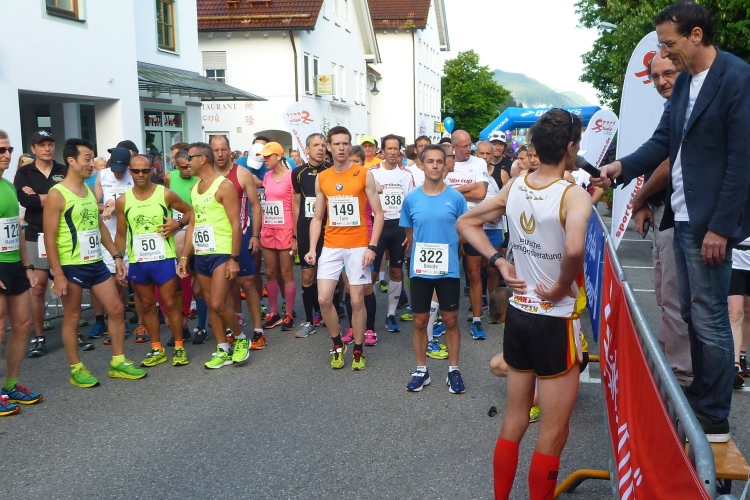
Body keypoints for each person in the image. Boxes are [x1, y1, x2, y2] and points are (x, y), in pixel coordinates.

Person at [593, 1, 750, 443]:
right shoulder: (684, 85)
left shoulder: (737, 77)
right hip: (679, 218)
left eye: (668, 43)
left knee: (711, 317)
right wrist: (619, 168)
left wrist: (720, 227)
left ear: (696, 35)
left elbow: (742, 161)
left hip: (709, 225)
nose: (663, 52)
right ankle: (700, 397)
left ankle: (714, 418)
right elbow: (662, 141)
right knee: (691, 314)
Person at [457, 108, 591, 498]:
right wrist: (562, 285)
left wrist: (498, 260)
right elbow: (574, 248)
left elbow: (466, 223)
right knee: (553, 432)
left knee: (514, 420)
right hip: (555, 319)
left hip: (519, 313)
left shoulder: (515, 185)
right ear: (570, 148)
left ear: (535, 147)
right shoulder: (573, 195)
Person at [44, 138, 147, 387]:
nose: (92, 164)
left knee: (117, 308)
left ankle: (118, 362)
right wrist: (58, 274)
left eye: (92, 158)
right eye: (87, 159)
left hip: (97, 261)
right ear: (71, 161)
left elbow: (100, 227)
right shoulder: (57, 194)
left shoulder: (89, 191)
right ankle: (76, 369)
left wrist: (117, 256)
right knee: (72, 316)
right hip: (72, 264)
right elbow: (49, 237)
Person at [629, 54, 692, 387]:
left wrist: (638, 198)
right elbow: (656, 157)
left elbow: (667, 162)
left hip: (682, 214)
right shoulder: (672, 107)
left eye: (669, 73)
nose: (661, 81)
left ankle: (680, 375)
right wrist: (646, 202)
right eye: (655, 77)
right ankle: (671, 364)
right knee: (666, 294)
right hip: (664, 210)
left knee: (675, 295)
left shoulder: (688, 105)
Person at [304, 126, 384, 370]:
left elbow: (379, 214)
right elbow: (318, 217)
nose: (341, 148)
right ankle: (337, 344)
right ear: (329, 147)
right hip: (331, 245)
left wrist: (372, 247)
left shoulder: (364, 174)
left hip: (358, 244)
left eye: (345, 143)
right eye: (336, 144)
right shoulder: (322, 178)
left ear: (350, 146)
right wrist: (312, 248)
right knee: (324, 298)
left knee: (357, 300)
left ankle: (358, 349)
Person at [400, 144, 468, 393]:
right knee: (420, 321)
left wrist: (449, 254)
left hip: (448, 269)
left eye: (440, 161)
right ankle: (421, 370)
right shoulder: (411, 199)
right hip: (420, 269)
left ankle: (453, 370)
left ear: (445, 165)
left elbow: (463, 233)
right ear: (421, 164)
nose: (435, 166)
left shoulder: (456, 198)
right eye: (430, 161)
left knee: (450, 320)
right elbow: (410, 233)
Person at [115, 155, 193, 368]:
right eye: (136, 171)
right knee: (148, 306)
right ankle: (156, 348)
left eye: (145, 170)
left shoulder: (165, 193)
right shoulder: (123, 201)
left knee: (170, 304)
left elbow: (189, 211)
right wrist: (118, 258)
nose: (141, 174)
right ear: (130, 171)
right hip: (138, 261)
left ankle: (179, 347)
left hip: (163, 258)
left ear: (152, 171)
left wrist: (178, 224)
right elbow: (121, 234)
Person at [177, 142, 246, 369]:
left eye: (190, 157)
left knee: (218, 301)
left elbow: (236, 224)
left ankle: (240, 338)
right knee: (210, 303)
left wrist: (234, 258)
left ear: (202, 159)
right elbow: (193, 225)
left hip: (222, 252)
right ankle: (222, 348)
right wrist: (184, 257)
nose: (187, 162)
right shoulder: (194, 188)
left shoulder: (224, 186)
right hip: (202, 253)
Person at [0, 130, 43, 415]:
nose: (6, 154)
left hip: (14, 262)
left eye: (9, 149)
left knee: (23, 324)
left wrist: (27, 266)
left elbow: (16, 230)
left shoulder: (7, 185)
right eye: (1, 150)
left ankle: (10, 384)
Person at [15, 131, 67, 357]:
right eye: (42, 144)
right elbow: (26, 200)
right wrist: (54, 196)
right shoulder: (24, 172)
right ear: (33, 148)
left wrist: (40, 196)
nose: (47, 148)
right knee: (38, 288)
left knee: (68, 285)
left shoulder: (64, 169)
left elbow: (70, 198)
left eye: (50, 144)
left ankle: (72, 331)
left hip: (63, 234)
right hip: (36, 234)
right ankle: (39, 336)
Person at [209, 135, 263, 349]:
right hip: (218, 238)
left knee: (247, 282)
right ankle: (234, 327)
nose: (220, 154)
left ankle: (258, 330)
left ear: (230, 150)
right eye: (216, 150)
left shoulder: (242, 173)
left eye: (223, 149)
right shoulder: (207, 176)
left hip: (242, 233)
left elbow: (255, 205)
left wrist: (255, 235)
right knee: (228, 283)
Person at [446, 130, 489, 340]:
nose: (468, 149)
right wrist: (466, 187)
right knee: (447, 274)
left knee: (474, 273)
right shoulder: (446, 162)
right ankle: (444, 318)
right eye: (463, 146)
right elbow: (439, 191)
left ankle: (477, 320)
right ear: (453, 147)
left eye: (469, 144)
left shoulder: (479, 163)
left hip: (473, 224)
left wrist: (453, 191)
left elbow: (481, 193)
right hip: (449, 224)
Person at [371, 135, 415, 335]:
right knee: (371, 274)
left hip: (398, 226)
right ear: (382, 150)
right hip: (378, 226)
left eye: (396, 148)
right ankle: (368, 313)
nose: (392, 152)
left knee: (396, 272)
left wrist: (409, 231)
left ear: (400, 151)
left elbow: (411, 204)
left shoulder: (406, 174)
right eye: (389, 148)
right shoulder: (372, 172)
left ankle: (390, 314)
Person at [166, 148, 209, 344]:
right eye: (183, 167)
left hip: (197, 234)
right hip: (176, 235)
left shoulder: (199, 179)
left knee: (198, 287)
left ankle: (201, 326)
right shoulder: (169, 177)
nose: (187, 170)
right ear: (176, 165)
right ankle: (181, 327)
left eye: (189, 166)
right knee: (177, 283)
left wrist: (182, 223)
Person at [94, 147, 135, 343]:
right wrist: (106, 206)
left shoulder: (134, 175)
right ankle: (116, 321)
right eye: (115, 170)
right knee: (111, 280)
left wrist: (118, 206)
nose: (118, 174)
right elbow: (94, 204)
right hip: (109, 235)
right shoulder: (102, 175)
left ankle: (127, 319)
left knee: (125, 281)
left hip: (130, 235)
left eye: (122, 170)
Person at [291, 133, 329, 339]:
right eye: (315, 145)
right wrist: (295, 235)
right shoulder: (298, 173)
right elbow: (296, 205)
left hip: (329, 228)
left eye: (323, 145)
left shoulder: (331, 170)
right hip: (306, 227)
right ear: (307, 149)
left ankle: (329, 315)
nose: (320, 148)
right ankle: (309, 320)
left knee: (329, 274)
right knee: (308, 275)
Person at [259, 142, 297, 332]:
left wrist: (296, 236)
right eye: (264, 156)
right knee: (270, 272)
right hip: (268, 228)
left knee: (286, 273)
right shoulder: (267, 176)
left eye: (268, 156)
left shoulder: (291, 176)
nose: (265, 159)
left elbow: (296, 207)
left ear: (279, 156)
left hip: (286, 229)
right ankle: (273, 312)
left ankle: (288, 313)